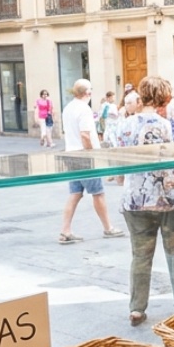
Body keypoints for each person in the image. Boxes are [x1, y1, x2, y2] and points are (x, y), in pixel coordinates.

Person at [119, 76, 174, 327]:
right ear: (165, 98)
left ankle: (136, 308)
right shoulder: (169, 125)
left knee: (140, 255)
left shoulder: (124, 125)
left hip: (134, 198)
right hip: (167, 198)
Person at [57, 79, 122, 244]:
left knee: (75, 193)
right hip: (84, 157)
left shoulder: (68, 108)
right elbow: (85, 135)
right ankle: (108, 228)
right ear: (88, 93)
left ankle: (65, 230)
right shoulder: (84, 109)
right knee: (98, 193)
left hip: (71, 154)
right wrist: (92, 154)